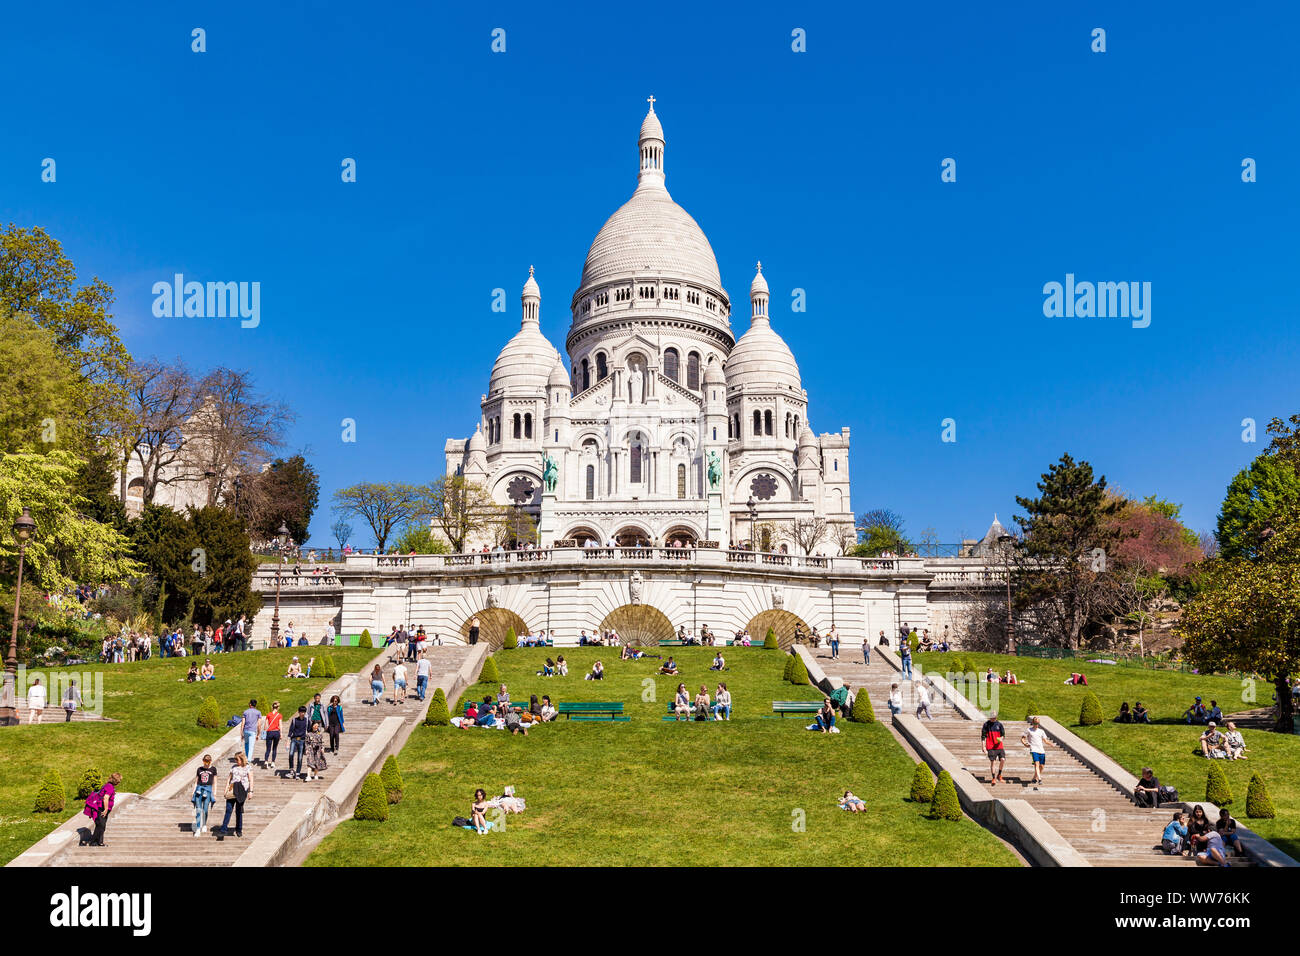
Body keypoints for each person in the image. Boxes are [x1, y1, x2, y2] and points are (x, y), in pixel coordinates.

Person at [217, 754, 251, 837]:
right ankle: (223, 829)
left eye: (237, 759)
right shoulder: (233, 767)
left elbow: (251, 780)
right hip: (232, 789)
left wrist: (250, 791)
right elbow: (229, 779)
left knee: (239, 811)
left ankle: (239, 829)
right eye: (235, 759)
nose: (236, 761)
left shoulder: (248, 767)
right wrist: (225, 790)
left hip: (242, 790)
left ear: (242, 759)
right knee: (228, 809)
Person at [84, 771, 121, 846]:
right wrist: (106, 809)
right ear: (116, 781)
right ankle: (94, 842)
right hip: (101, 809)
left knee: (101, 825)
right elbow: (105, 798)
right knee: (101, 825)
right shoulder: (110, 787)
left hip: (100, 808)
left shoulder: (107, 785)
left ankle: (99, 842)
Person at [192, 755, 218, 835]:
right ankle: (198, 829)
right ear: (203, 760)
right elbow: (196, 781)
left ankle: (204, 824)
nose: (206, 763)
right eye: (205, 761)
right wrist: (193, 791)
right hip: (199, 790)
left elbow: (215, 782)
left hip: (208, 790)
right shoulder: (199, 769)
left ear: (210, 761)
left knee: (205, 809)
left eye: (208, 761)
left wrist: (215, 793)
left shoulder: (213, 769)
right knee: (198, 809)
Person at [981, 711, 1007, 785]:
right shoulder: (986, 724)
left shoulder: (999, 724)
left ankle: (999, 775)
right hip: (990, 746)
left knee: (1003, 759)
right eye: (992, 717)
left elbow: (1003, 735)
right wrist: (983, 747)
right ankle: (993, 778)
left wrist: (1001, 738)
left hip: (999, 746)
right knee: (993, 762)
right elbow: (983, 737)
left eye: (994, 717)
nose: (993, 719)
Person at [1021, 715, 1048, 785]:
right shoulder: (1029, 730)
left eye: (1038, 723)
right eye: (1035, 723)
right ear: (1033, 723)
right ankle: (1039, 779)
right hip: (1033, 750)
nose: (1037, 725)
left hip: (1041, 750)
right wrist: (1025, 744)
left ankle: (1034, 778)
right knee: (1036, 764)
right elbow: (1022, 738)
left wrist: (1051, 744)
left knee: (1041, 766)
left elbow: (1045, 740)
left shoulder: (1041, 731)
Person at [286, 705, 309, 779]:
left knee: (300, 757)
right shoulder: (294, 720)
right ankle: (291, 770)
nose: (302, 713)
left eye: (304, 712)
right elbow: (290, 731)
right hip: (294, 739)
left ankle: (298, 772)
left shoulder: (307, 721)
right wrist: (288, 740)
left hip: (302, 740)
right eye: (301, 712)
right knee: (291, 754)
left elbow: (309, 730)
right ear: (298, 712)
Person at [262, 702, 282, 771]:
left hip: (269, 732)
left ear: (272, 707)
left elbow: (265, 725)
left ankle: (266, 761)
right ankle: (273, 762)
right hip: (276, 732)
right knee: (274, 748)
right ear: (278, 708)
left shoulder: (268, 714)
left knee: (268, 748)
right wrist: (281, 733)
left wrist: (264, 732)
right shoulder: (279, 715)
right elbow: (280, 725)